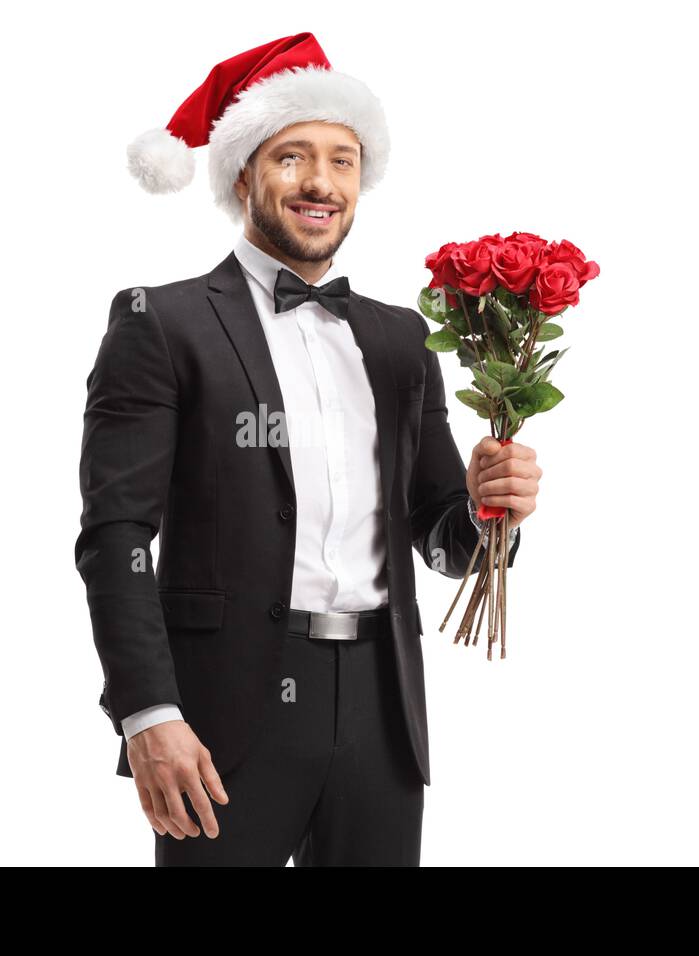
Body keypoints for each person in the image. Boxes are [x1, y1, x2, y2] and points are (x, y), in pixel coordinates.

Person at [76, 32, 540, 866]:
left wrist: (490, 509)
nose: (321, 183)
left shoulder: (403, 339)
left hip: (381, 708)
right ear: (242, 174)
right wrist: (149, 715)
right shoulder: (162, 324)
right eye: (293, 158)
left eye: (343, 160)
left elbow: (442, 538)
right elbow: (116, 538)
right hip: (218, 716)